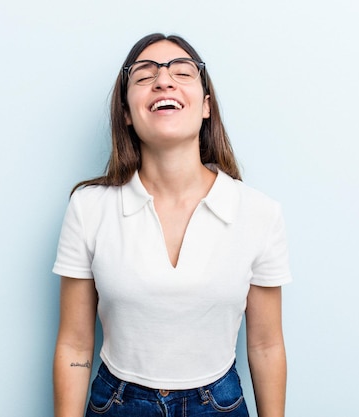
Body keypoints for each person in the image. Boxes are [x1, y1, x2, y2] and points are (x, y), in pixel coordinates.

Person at [52, 33, 292, 417]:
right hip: (117, 403)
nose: (163, 80)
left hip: (219, 404)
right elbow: (75, 345)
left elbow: (265, 346)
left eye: (182, 72)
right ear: (127, 112)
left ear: (206, 106)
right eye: (144, 76)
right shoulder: (88, 207)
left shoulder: (259, 212)